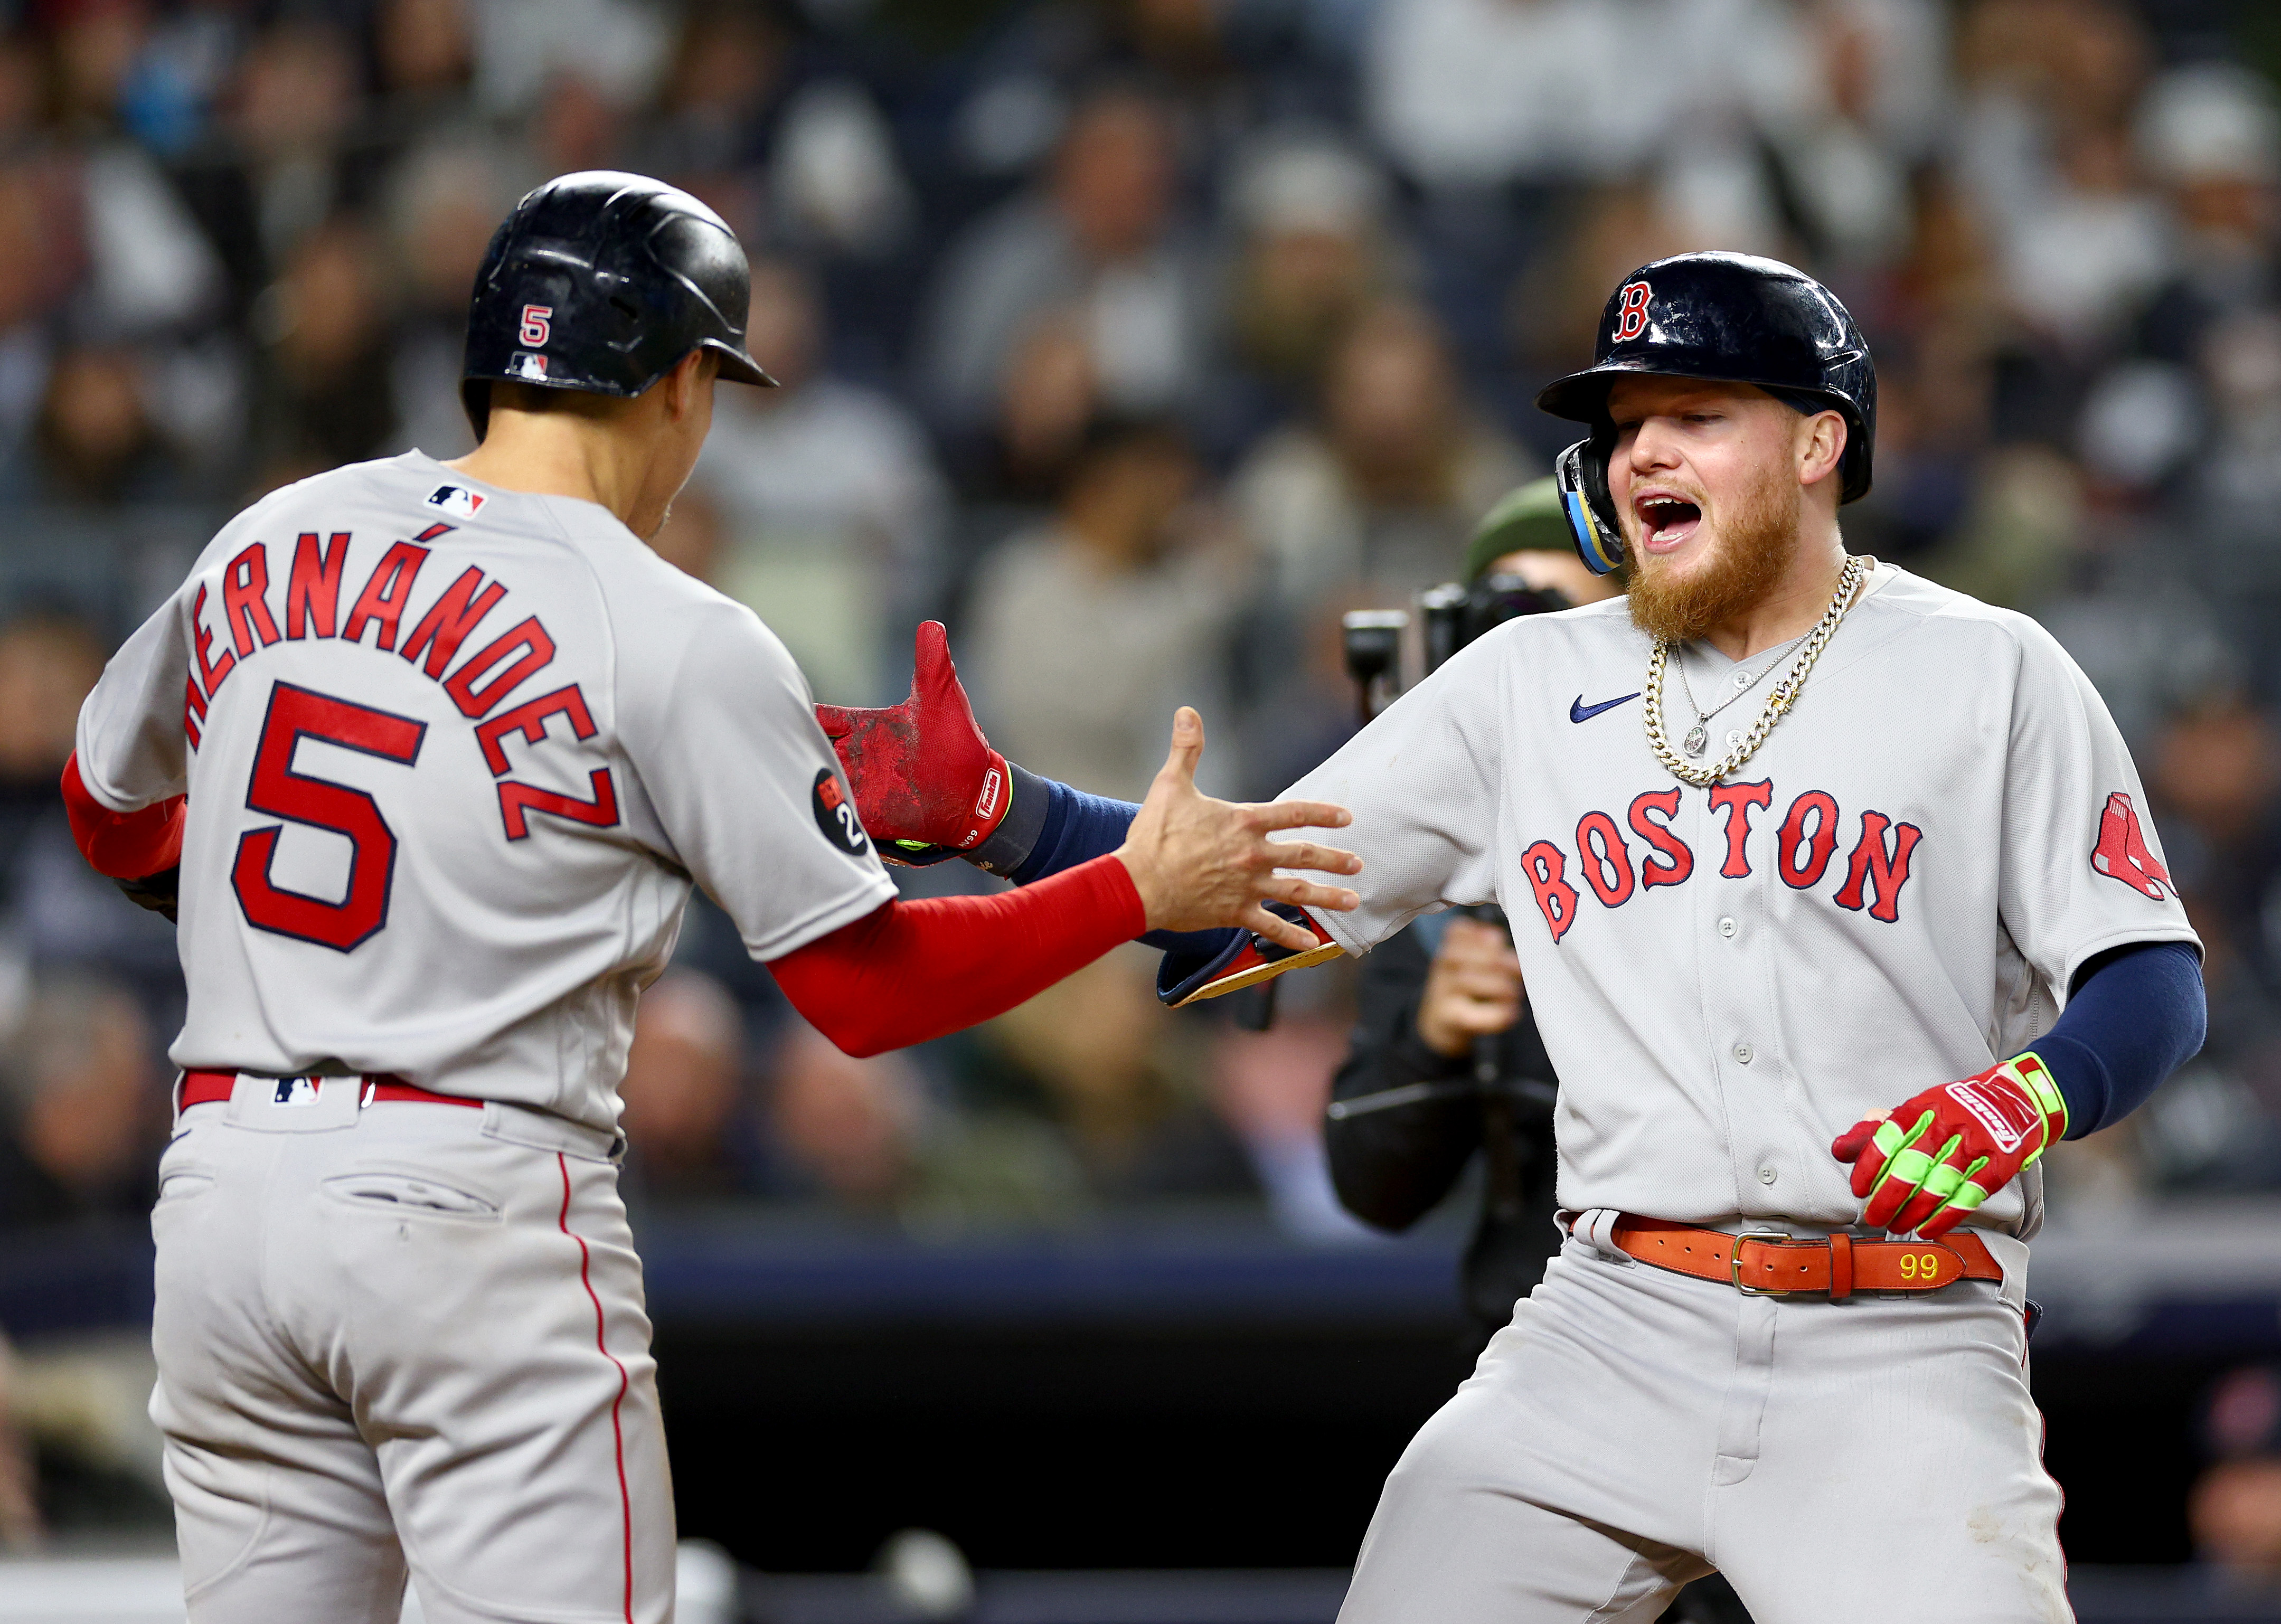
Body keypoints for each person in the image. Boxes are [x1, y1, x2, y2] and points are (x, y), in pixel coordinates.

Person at [821, 253, 2210, 1620]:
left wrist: (2030, 1092)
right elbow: (1246, 868)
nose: (1640, 451)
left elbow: (2150, 975)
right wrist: (1000, 811)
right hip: (1612, 1322)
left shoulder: (1989, 668)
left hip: (1899, 1341)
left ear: (1817, 442)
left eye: (1694, 415)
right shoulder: (1531, 682)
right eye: (1622, 426)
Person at [58, 171, 1362, 1624]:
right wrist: (1131, 886)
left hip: (223, 1198)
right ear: (681, 379)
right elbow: (865, 996)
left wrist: (328, 937)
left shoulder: (273, 533)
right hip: (465, 1208)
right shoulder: (670, 626)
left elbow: (105, 810)